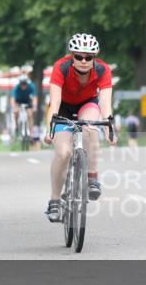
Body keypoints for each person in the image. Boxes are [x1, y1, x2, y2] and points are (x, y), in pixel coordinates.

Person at [42, 32, 115, 221]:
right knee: (63, 153)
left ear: (94, 58)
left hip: (87, 104)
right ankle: (55, 201)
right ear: (72, 56)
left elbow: (105, 103)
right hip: (63, 108)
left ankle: (92, 178)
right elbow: (55, 102)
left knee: (90, 128)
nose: (83, 60)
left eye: (88, 57)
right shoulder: (61, 67)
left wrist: (109, 128)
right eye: (79, 56)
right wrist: (49, 128)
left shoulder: (103, 70)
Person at [11, 76, 35, 141]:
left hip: (28, 102)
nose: (23, 86)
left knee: (30, 114)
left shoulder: (31, 86)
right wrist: (14, 108)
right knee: (16, 112)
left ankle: (31, 133)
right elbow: (13, 99)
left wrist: (34, 106)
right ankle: (16, 126)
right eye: (22, 84)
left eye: (25, 84)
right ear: (20, 84)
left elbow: (35, 98)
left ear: (27, 83)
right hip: (18, 102)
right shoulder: (16, 88)